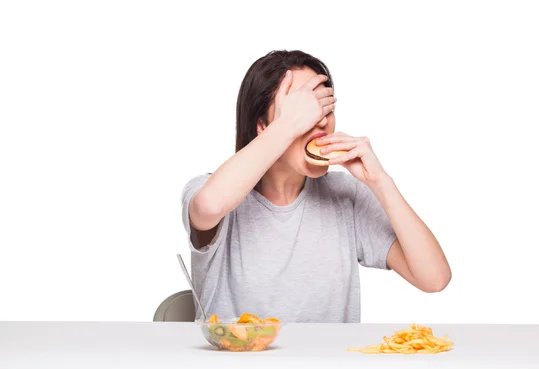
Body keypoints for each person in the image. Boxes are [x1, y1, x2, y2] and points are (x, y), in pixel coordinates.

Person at [181, 50, 451, 323]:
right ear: (262, 124)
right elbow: (209, 206)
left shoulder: (346, 194)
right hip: (238, 364)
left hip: (329, 365)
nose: (321, 120)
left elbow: (434, 278)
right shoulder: (210, 189)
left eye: (325, 108)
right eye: (303, 110)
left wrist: (380, 181)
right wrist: (289, 123)